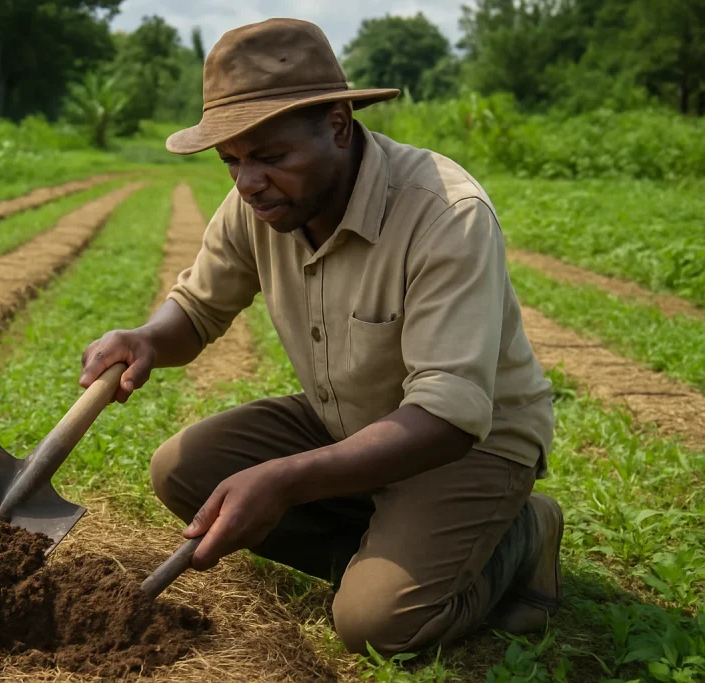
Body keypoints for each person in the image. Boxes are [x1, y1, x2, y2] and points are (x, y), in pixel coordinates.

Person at [78, 17, 563, 655]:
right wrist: (146, 338)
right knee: (183, 471)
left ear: (337, 123)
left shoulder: (443, 213)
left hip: (470, 444)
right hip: (355, 423)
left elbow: (447, 417)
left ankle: (523, 536)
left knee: (377, 625)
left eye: (271, 158)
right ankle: (394, 546)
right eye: (232, 161)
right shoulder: (261, 203)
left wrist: (285, 481)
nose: (248, 181)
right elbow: (196, 311)